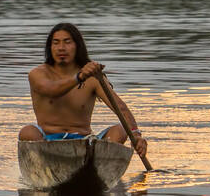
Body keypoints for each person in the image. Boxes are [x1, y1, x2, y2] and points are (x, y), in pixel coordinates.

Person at [18, 21, 149, 161]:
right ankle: (49, 164)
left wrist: (136, 135)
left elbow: (120, 108)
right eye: (56, 43)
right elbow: (52, 90)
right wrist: (79, 77)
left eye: (67, 42)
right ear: (50, 47)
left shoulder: (93, 77)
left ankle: (99, 164)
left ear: (77, 46)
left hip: (84, 142)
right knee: (27, 131)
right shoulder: (38, 74)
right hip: (47, 140)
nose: (61, 48)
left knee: (121, 130)